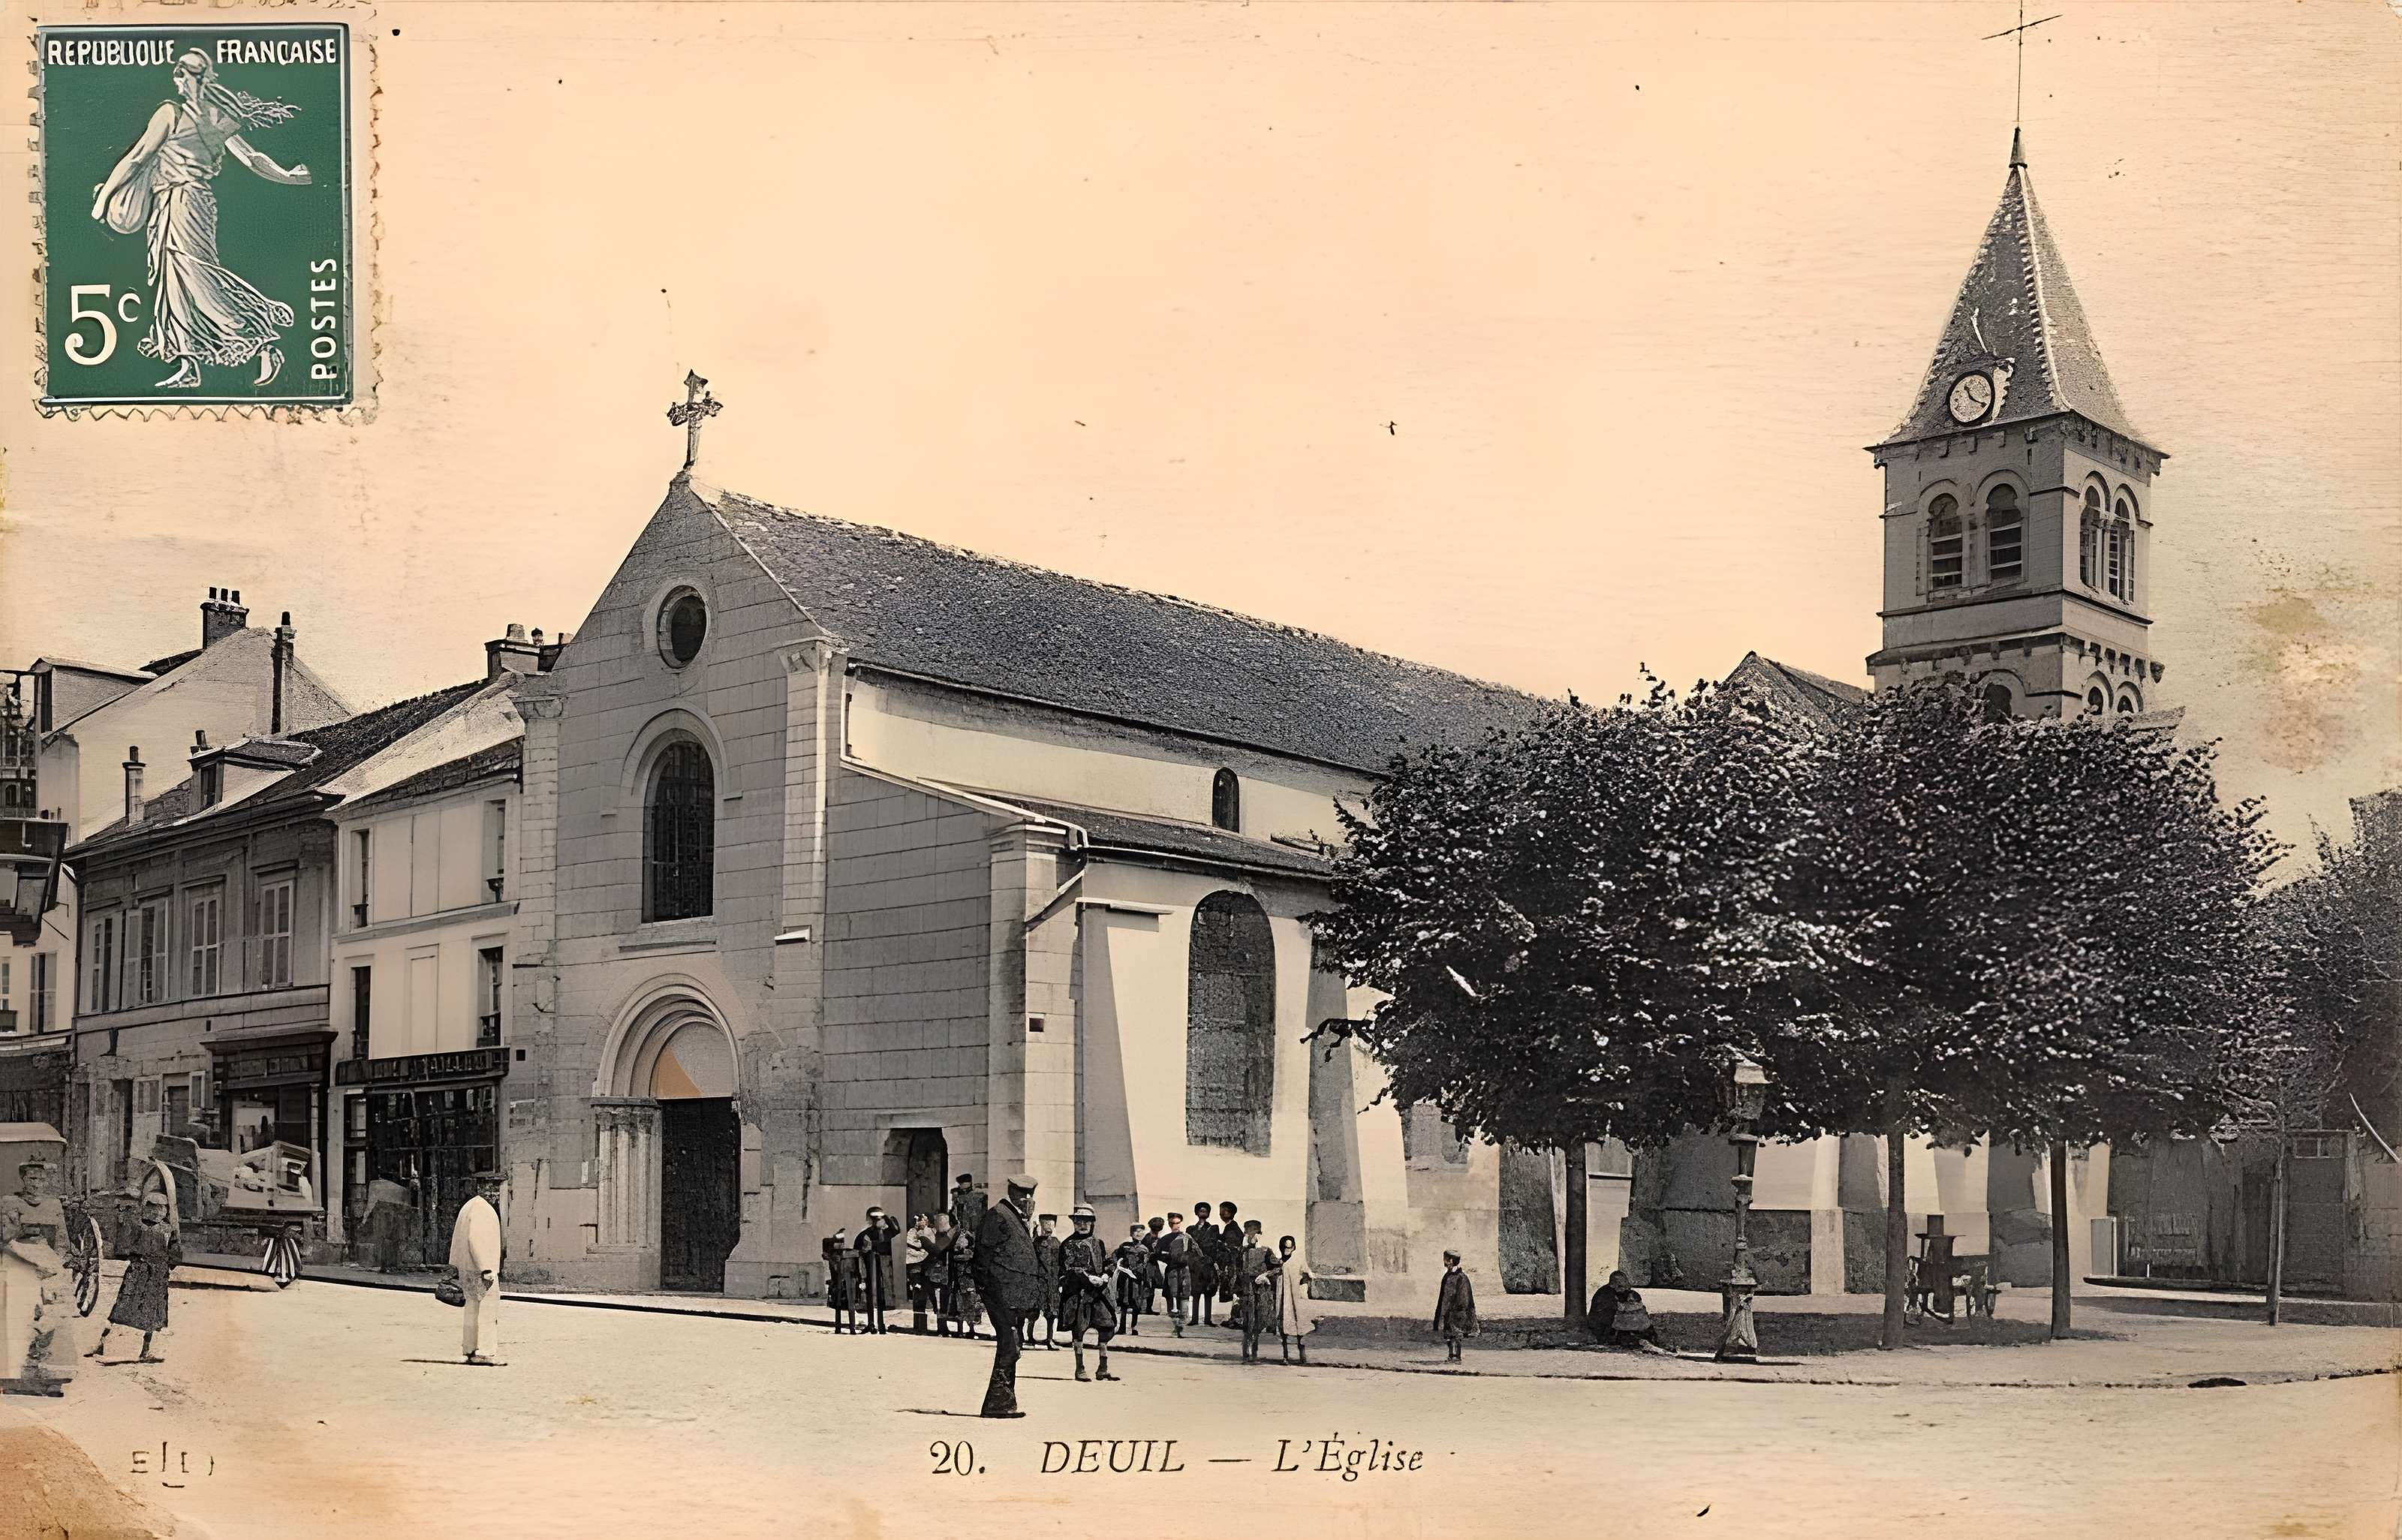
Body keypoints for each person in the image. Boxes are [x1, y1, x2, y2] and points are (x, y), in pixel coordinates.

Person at [86, 50, 313, 390]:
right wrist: (289, 176)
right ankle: (189, 364)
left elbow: (136, 159)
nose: (176, 81)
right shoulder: (219, 118)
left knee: (194, 276)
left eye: (180, 75)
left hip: (181, 200)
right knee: (172, 280)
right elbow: (252, 159)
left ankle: (261, 340)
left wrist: (103, 199)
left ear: (187, 77)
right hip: (188, 201)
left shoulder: (170, 113)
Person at [0, 1160, 77, 1395]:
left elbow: (62, 1239)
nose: (37, 1184)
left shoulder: (54, 1205)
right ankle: (13, 1378)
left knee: (53, 1318)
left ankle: (53, 1378)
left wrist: (56, 1263)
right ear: (23, 1178)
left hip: (49, 1264)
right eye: (32, 1179)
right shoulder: (9, 1202)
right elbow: (4, 1237)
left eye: (42, 1179)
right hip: (18, 1259)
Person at [973, 1175, 1043, 1418]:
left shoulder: (1017, 1219)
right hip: (1002, 1296)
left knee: (1012, 1347)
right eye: (1022, 1193)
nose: (1026, 1199)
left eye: (1030, 1194)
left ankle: (1002, 1402)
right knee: (1010, 1346)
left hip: (1016, 1298)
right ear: (1011, 1192)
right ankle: (997, 1404)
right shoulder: (998, 1215)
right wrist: (988, 1292)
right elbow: (982, 1259)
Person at [89, 1192, 180, 1363]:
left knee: (153, 1313)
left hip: (158, 1276)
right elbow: (122, 1248)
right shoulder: (135, 1226)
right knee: (121, 1308)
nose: (158, 1212)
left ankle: (145, 1352)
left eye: (162, 1209)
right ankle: (101, 1344)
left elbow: (175, 1255)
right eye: (153, 1207)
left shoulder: (168, 1230)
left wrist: (167, 1262)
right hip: (138, 1271)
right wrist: (137, 1257)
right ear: (146, 1208)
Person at [447, 1170, 505, 1367]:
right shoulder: (483, 1209)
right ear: (484, 1188)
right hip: (481, 1269)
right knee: (487, 1309)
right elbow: (476, 1240)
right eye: (493, 1188)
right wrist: (486, 1268)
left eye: (497, 1188)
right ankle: (485, 1351)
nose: (496, 1192)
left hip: (468, 1267)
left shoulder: (470, 1206)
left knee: (472, 1308)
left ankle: (470, 1348)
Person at [1056, 1205, 1119, 1383]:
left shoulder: (1098, 1243)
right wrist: (1087, 1278)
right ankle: (1080, 1368)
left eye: (1086, 1222)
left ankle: (1103, 1368)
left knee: (1107, 1326)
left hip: (1098, 1292)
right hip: (1078, 1293)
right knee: (1079, 1329)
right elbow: (1068, 1269)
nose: (1082, 1225)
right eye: (1079, 1222)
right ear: (1074, 1223)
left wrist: (1106, 1274)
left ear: (1092, 1224)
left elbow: (1108, 1261)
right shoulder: (1068, 1244)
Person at [1589, 1270, 1672, 1353]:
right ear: (1615, 1284)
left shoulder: (1610, 1291)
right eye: (1622, 1284)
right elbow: (1620, 1308)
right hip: (1602, 1329)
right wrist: (1637, 1306)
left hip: (1608, 1325)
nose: (1626, 1287)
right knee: (1639, 1323)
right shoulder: (1607, 1294)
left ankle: (1650, 1341)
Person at [1236, 1220, 1279, 1363]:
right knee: (1248, 1322)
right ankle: (1246, 1354)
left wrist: (1265, 1275)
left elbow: (1278, 1268)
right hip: (1247, 1290)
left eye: (1256, 1232)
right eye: (1249, 1232)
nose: (1253, 1235)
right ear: (1245, 1234)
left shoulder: (1266, 1251)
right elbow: (1236, 1272)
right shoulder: (1242, 1252)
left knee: (1260, 1321)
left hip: (1262, 1290)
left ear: (1260, 1234)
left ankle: (1254, 1351)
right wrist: (1237, 1292)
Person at [360, 1171, 418, 1273]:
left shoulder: (376, 1186)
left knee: (384, 1240)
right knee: (392, 1241)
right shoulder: (397, 1189)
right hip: (393, 1216)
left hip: (384, 1216)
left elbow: (371, 1204)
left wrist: (365, 1220)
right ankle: (391, 1265)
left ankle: (385, 1265)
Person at [1273, 1235, 1314, 1364]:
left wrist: (1304, 1287)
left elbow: (1309, 1275)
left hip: (1295, 1300)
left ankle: (1302, 1354)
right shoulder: (1278, 1263)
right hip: (1282, 1299)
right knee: (1283, 1327)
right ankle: (1285, 1356)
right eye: (1284, 1248)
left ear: (1294, 1248)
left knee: (1299, 1326)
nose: (1287, 1250)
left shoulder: (1298, 1262)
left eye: (1289, 1248)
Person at [1433, 1250, 1476, 1363]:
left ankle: (1457, 1357)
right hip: (1447, 1313)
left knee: (1457, 1336)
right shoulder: (1447, 1276)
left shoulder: (1461, 1277)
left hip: (1457, 1314)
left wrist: (1458, 1311)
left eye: (1445, 1259)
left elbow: (1464, 1298)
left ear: (1451, 1261)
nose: (1444, 1262)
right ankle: (1451, 1355)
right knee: (1448, 1336)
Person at [1154, 1212, 1192, 1338]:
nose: (1175, 1225)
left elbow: (1194, 1253)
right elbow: (1158, 1254)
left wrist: (1185, 1258)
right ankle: (1175, 1326)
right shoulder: (1165, 1239)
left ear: (1181, 1223)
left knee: (1185, 1298)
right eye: (1172, 1223)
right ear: (1169, 1224)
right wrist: (1169, 1258)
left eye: (1177, 1223)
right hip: (1171, 1271)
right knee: (1171, 1297)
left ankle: (1181, 1325)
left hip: (1184, 1271)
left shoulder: (1187, 1238)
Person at [854, 1208, 891, 1333]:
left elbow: (895, 1230)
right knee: (870, 1297)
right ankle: (871, 1324)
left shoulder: (885, 1233)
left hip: (882, 1270)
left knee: (880, 1297)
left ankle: (880, 1324)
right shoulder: (864, 1235)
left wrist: (885, 1216)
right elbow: (858, 1253)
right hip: (869, 1270)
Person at [1030, 1213, 1063, 1349]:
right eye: (1045, 1223)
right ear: (1041, 1225)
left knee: (1052, 1313)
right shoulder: (1036, 1242)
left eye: (1051, 1223)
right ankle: (1029, 1337)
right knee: (1033, 1311)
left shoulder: (1057, 1242)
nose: (1048, 1226)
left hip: (1053, 1282)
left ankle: (1050, 1339)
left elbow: (1062, 1262)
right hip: (1039, 1281)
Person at [1112, 1224, 1151, 1337]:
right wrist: (1118, 1264)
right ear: (1131, 1233)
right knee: (1124, 1303)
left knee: (1136, 1304)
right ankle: (1122, 1328)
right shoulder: (1125, 1246)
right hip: (1125, 1279)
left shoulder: (1145, 1248)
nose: (1139, 1234)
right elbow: (1115, 1256)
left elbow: (1146, 1264)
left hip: (1138, 1280)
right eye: (1136, 1231)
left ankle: (1134, 1327)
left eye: (1141, 1232)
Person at [949, 1223, 983, 1340]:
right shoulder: (956, 1255)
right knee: (960, 1307)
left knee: (970, 1307)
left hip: (969, 1283)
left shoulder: (972, 1254)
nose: (960, 1243)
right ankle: (960, 1330)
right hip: (960, 1283)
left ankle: (971, 1329)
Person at [1186, 1201, 1218, 1326]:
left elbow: (1214, 1245)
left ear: (1209, 1213)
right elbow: (1187, 1247)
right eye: (1201, 1211)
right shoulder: (1190, 1229)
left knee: (1208, 1291)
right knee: (1196, 1292)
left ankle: (1208, 1319)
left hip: (1207, 1264)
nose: (1203, 1213)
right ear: (1196, 1213)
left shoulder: (1213, 1228)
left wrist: (1211, 1259)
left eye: (1205, 1211)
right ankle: (1194, 1319)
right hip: (1195, 1265)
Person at [925, 1212, 957, 1337]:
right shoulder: (934, 1236)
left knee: (945, 1300)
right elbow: (937, 1249)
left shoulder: (947, 1236)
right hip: (936, 1274)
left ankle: (944, 1326)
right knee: (938, 1301)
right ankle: (941, 1327)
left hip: (947, 1273)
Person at [905, 1214, 936, 1333]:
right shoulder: (912, 1232)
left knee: (926, 1294)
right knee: (917, 1292)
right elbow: (912, 1245)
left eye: (924, 1219)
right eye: (919, 1220)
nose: (921, 1222)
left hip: (928, 1265)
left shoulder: (931, 1231)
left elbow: (933, 1245)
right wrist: (923, 1247)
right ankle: (917, 1325)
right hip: (915, 1263)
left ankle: (924, 1325)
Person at [823, 1229, 859, 1334]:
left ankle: (852, 1328)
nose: (841, 1245)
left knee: (850, 1305)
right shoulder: (833, 1255)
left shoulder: (850, 1254)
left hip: (848, 1278)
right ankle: (839, 1328)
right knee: (838, 1304)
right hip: (839, 1279)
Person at [1216, 1203, 1246, 1326]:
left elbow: (1232, 1249)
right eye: (1221, 1211)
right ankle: (1235, 1318)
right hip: (1232, 1265)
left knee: (1236, 1292)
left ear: (1232, 1213)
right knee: (1235, 1293)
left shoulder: (1232, 1229)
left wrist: (1221, 1245)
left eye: (1226, 1211)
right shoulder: (1230, 1227)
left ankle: (1237, 1319)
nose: (1222, 1213)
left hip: (1233, 1265)